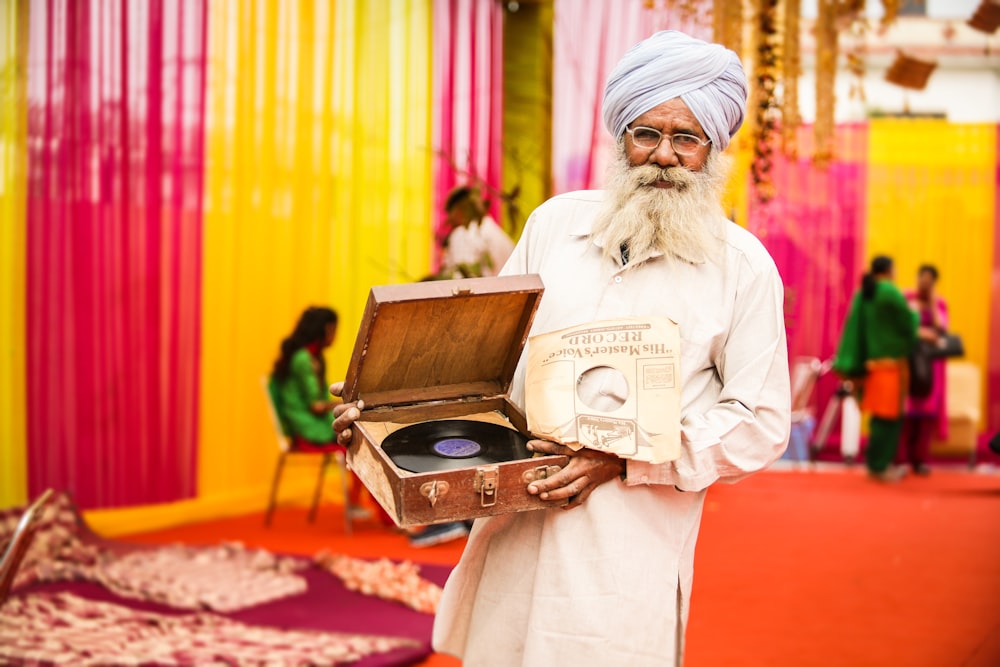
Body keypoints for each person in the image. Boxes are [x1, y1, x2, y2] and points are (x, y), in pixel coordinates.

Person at [333, 31, 790, 666]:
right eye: (645, 133)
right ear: (620, 139)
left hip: (627, 545)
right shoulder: (555, 224)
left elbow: (760, 422)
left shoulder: (741, 266)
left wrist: (626, 461)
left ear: (713, 147)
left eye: (685, 138)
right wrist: (387, 404)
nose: (662, 155)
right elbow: (487, 369)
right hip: (514, 523)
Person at [269, 307, 368, 516]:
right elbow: (315, 406)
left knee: (359, 441)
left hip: (316, 424)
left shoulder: (312, 356)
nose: (334, 336)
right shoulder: (304, 359)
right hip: (307, 429)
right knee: (358, 445)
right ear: (322, 330)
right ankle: (365, 508)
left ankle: (359, 505)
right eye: (332, 329)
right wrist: (347, 402)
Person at [833, 256, 918, 482]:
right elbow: (908, 323)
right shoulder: (889, 291)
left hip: (871, 365)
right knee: (888, 418)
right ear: (890, 270)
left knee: (880, 417)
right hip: (890, 366)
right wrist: (916, 313)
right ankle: (879, 467)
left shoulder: (864, 292)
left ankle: (876, 464)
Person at [898, 264, 948, 475]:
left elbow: (941, 328)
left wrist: (933, 300)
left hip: (931, 366)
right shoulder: (907, 298)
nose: (924, 283)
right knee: (905, 414)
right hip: (908, 361)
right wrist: (920, 332)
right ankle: (900, 459)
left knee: (926, 416)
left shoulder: (940, 304)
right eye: (922, 278)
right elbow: (901, 325)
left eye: (929, 280)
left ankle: (920, 460)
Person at [436, 186, 514, 279]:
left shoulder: (462, 234)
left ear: (460, 209)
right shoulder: (497, 234)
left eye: (450, 214)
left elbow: (461, 281)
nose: (449, 221)